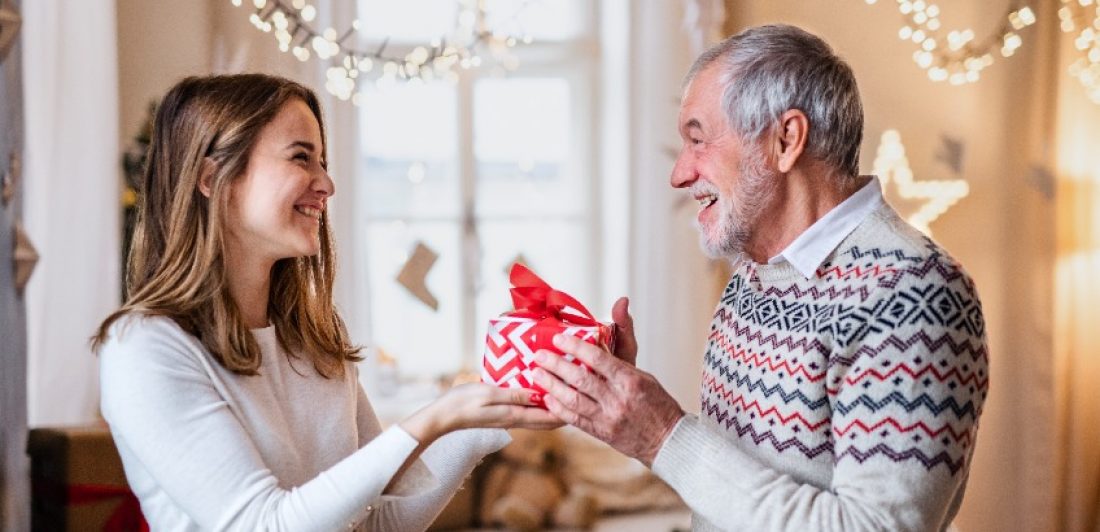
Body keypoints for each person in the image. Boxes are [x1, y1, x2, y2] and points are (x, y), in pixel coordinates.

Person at [532, 24, 989, 531]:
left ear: (786, 139)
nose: (679, 173)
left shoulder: (914, 293)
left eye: (698, 139)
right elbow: (736, 493)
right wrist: (629, 418)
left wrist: (663, 435)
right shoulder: (753, 277)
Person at [93, 74, 558, 531]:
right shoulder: (144, 348)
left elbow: (381, 523)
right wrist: (435, 418)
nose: (326, 185)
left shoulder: (315, 339)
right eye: (302, 158)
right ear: (214, 178)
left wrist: (487, 414)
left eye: (324, 162)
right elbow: (262, 525)